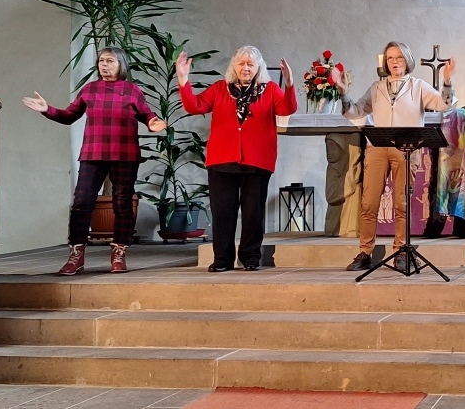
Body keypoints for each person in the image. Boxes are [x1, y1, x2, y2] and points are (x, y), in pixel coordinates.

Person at [22, 47, 166, 275]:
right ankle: (76, 256)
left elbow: (147, 115)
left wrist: (154, 123)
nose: (104, 65)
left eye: (110, 61)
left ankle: (119, 254)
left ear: (121, 64)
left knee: (122, 204)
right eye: (101, 61)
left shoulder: (132, 90)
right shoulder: (90, 89)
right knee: (81, 203)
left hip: (124, 154)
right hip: (93, 154)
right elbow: (69, 115)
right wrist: (47, 109)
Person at [332, 42, 456, 273]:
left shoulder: (418, 86)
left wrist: (447, 81)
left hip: (406, 149)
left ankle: (401, 251)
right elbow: (355, 112)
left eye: (399, 57)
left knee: (401, 202)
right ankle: (365, 252)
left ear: (407, 60)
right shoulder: (377, 87)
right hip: (378, 147)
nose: (394, 62)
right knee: (369, 203)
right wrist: (343, 93)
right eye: (390, 58)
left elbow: (444, 105)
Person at [177, 46, 296, 272]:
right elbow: (195, 106)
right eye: (241, 63)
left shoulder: (270, 89)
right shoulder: (220, 88)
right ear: (234, 66)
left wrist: (289, 85)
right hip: (222, 160)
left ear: (259, 67)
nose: (246, 68)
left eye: (251, 64)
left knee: (253, 214)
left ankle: (251, 257)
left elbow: (286, 109)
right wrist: (183, 80)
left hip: (257, 160)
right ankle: (222, 259)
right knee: (223, 213)